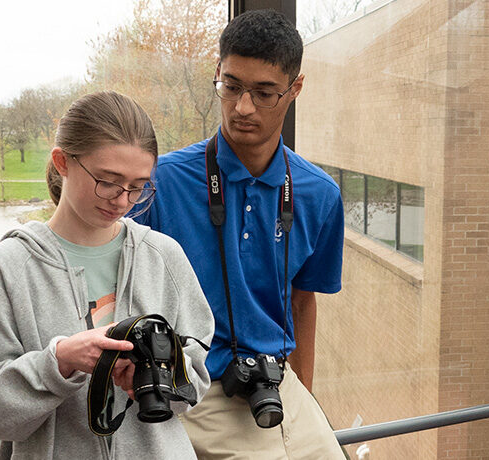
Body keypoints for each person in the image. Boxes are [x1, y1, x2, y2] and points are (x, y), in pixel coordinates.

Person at [0, 91, 213, 459]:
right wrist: (58, 362)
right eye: (107, 180)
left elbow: (196, 380)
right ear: (62, 162)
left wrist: (153, 380)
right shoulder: (7, 267)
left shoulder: (165, 257)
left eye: (137, 187)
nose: (122, 201)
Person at [133, 9, 346, 460]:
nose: (243, 107)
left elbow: (303, 300)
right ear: (217, 74)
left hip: (273, 383)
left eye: (265, 92)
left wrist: (301, 397)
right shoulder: (162, 183)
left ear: (296, 89)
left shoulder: (319, 195)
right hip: (193, 384)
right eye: (231, 87)